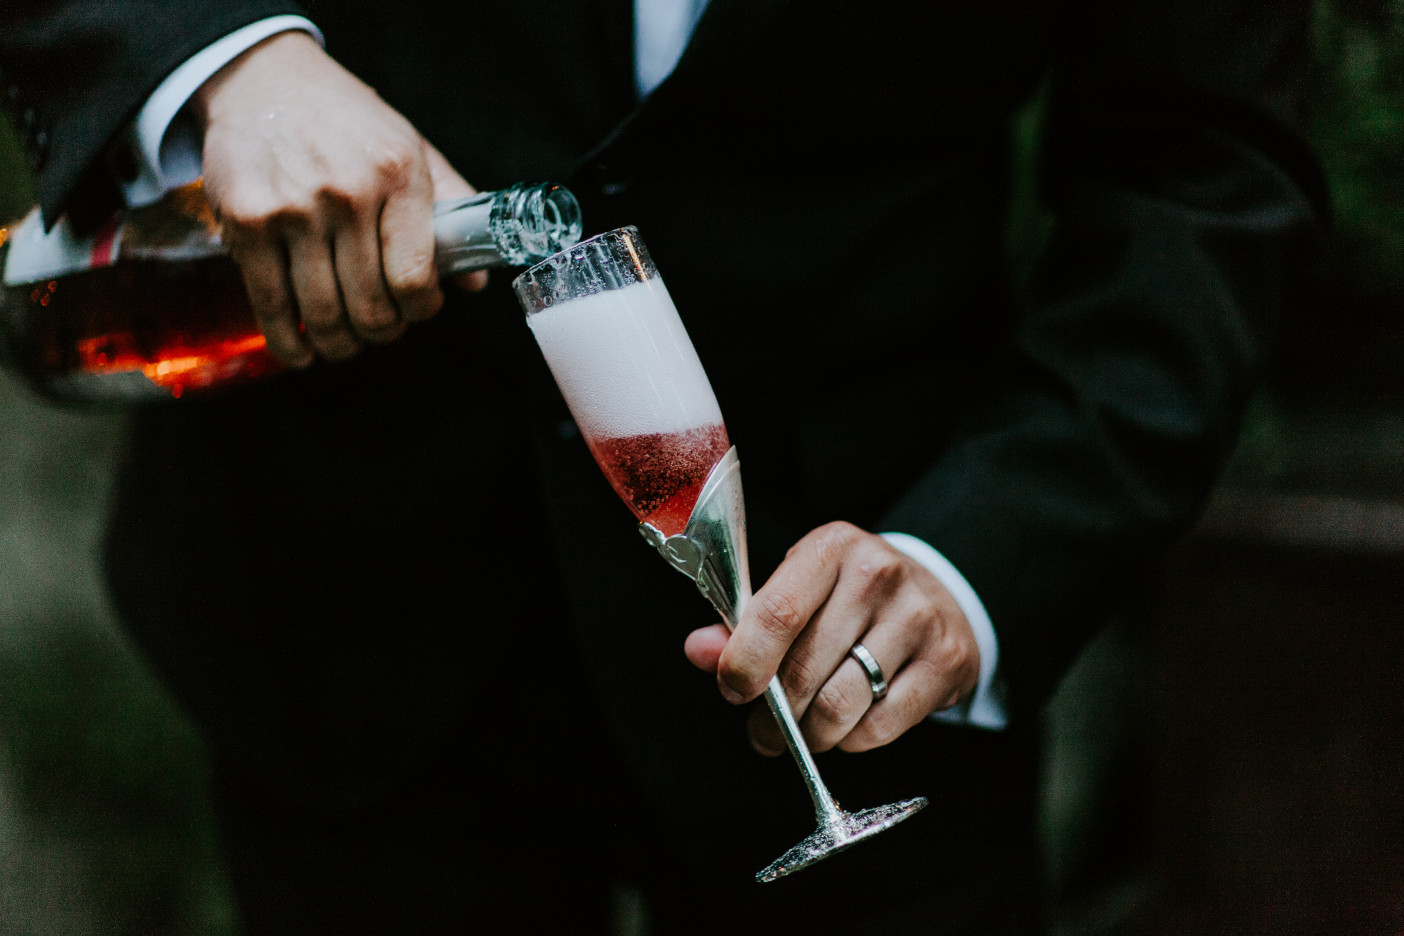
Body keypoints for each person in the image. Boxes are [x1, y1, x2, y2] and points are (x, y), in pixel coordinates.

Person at [1, 1, 1326, 933]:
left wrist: (976, 560)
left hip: (861, 637)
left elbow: (1196, 176)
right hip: (355, 617)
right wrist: (223, 57)